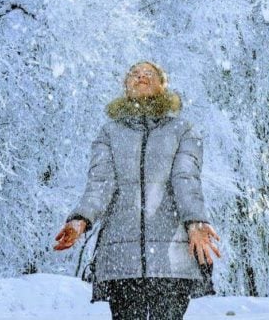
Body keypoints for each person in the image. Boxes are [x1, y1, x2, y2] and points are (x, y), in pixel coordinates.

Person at [53, 60, 222, 320]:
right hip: (121, 260)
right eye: (135, 73)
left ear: (163, 85)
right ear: (126, 85)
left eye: (149, 73)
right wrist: (80, 220)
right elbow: (100, 183)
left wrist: (195, 221)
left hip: (171, 260)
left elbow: (186, 178)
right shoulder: (109, 132)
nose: (141, 77)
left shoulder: (182, 130)